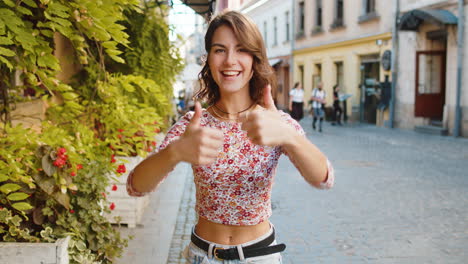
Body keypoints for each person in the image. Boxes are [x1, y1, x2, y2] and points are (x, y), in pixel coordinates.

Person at [126, 11, 334, 263]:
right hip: (202, 256)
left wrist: (290, 137)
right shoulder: (194, 124)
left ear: (255, 59)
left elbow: (324, 179)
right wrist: (175, 152)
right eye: (220, 49)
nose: (230, 60)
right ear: (208, 59)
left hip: (259, 256)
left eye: (241, 50)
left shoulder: (273, 122)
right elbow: (135, 187)